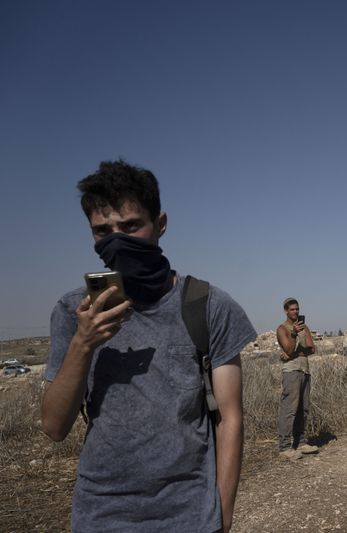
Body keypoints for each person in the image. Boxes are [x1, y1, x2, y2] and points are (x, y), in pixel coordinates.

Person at [41, 160, 256, 533]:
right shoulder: (72, 312)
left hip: (190, 516)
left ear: (160, 224)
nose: (117, 240)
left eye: (130, 226)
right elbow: (55, 426)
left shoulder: (208, 306)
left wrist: (222, 516)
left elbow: (230, 419)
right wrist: (83, 343)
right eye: (102, 231)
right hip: (101, 517)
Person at [276, 297, 318, 460]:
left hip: (304, 369)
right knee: (289, 409)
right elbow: (288, 347)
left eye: (297, 309)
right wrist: (293, 334)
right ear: (286, 311)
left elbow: (311, 348)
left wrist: (292, 353)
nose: (295, 312)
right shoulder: (282, 329)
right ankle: (285, 447)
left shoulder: (304, 327)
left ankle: (301, 442)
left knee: (303, 408)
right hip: (291, 371)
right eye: (292, 309)